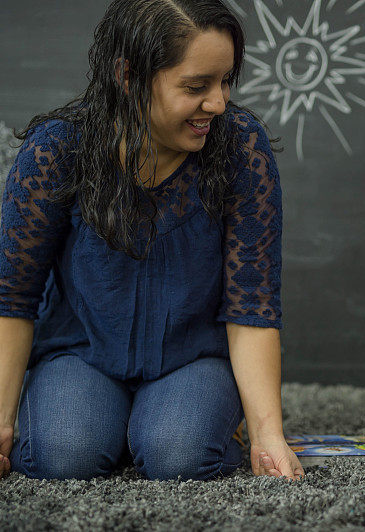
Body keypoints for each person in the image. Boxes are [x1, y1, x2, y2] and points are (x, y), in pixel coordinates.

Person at [0, 0, 304, 481]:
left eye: (226, 81)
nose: (219, 103)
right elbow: (12, 296)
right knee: (61, 457)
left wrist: (269, 433)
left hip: (194, 358)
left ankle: (189, 425)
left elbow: (253, 304)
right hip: (80, 353)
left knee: (179, 456)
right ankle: (115, 426)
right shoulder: (57, 149)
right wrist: (0, 422)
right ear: (128, 75)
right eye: (195, 86)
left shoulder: (241, 148)